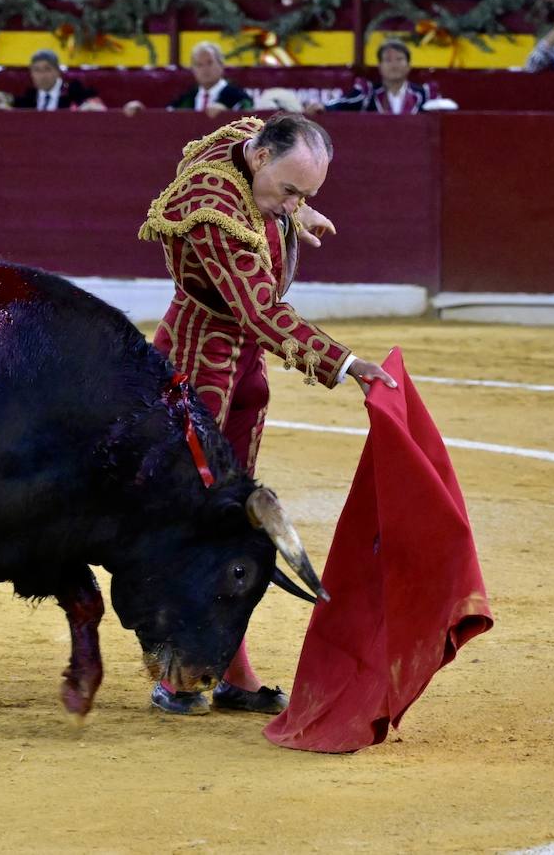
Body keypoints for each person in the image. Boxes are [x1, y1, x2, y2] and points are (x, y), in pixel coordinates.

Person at [137, 112, 396, 716]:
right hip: (197, 369)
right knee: (193, 516)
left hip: (238, 366)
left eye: (305, 193)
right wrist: (345, 362)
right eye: (290, 190)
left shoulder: (248, 143)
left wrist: (291, 208)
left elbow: (254, 312)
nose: (293, 205)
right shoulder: (215, 208)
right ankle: (180, 671)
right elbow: (259, 313)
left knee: (234, 517)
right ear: (260, 159)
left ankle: (229, 670)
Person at [306, 39, 436, 113]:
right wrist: (324, 107)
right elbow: (345, 102)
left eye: (399, 59)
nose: (394, 65)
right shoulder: (368, 92)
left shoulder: (424, 94)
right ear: (380, 66)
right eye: (388, 60)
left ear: (408, 65)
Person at [124, 41, 250, 115]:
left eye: (210, 63)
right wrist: (142, 113)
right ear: (193, 70)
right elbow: (164, 121)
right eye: (199, 65)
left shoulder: (238, 97)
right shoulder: (186, 99)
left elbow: (252, 122)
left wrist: (228, 115)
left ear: (221, 65)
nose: (205, 69)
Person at [12, 49, 104, 110]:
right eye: (37, 70)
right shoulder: (28, 96)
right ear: (31, 73)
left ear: (58, 72)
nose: (42, 75)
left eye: (47, 69)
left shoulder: (74, 91)